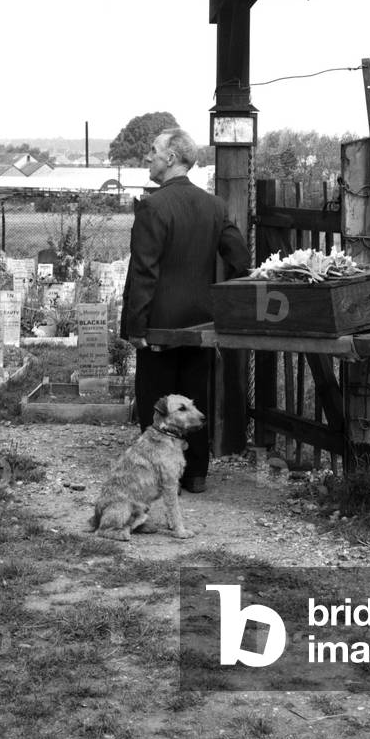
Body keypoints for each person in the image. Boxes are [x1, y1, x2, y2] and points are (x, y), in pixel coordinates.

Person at [121, 127, 251, 493]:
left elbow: (145, 269)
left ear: (171, 158)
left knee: (157, 405)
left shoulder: (152, 206)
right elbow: (240, 259)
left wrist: (136, 326)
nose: (148, 157)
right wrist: (222, 301)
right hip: (201, 323)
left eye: (152, 151)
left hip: (159, 326)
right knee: (195, 400)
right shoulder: (215, 206)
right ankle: (195, 475)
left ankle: (159, 481)